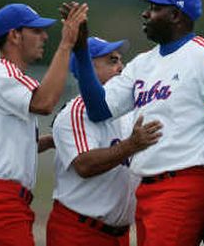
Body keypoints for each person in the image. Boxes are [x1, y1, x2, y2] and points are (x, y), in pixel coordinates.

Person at [70, 0, 204, 246]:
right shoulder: (143, 63)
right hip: (147, 187)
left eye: (155, 8)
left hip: (186, 183)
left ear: (175, 15)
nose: (145, 14)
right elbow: (98, 109)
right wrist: (81, 50)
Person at [0, 2, 88, 246]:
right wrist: (66, 44)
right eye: (36, 30)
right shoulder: (4, 73)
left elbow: (1, 145)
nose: (44, 36)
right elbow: (45, 102)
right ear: (14, 35)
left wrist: (46, 142)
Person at [46, 36, 163, 246]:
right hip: (79, 231)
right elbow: (84, 164)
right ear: (87, 68)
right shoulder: (75, 112)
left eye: (120, 60)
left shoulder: (127, 112)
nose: (121, 67)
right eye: (112, 60)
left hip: (119, 234)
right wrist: (131, 146)